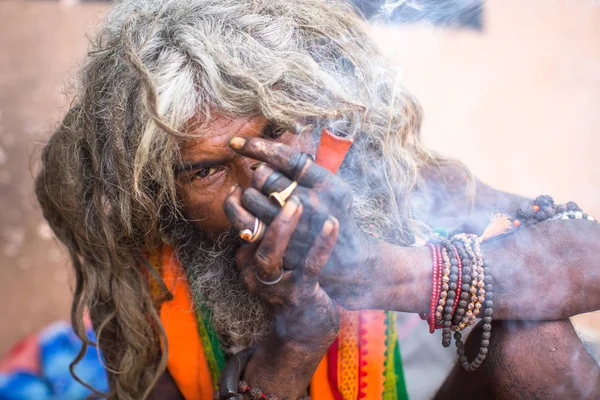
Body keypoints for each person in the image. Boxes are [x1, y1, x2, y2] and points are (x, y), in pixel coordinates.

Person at [32, 0, 600, 399]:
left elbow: (583, 249)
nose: (261, 187)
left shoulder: (381, 181)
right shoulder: (143, 284)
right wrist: (293, 347)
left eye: (277, 137)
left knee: (528, 324)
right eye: (206, 170)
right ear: (160, 190)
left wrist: (384, 273)